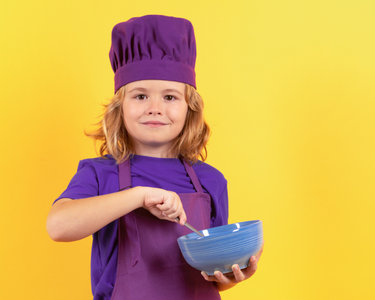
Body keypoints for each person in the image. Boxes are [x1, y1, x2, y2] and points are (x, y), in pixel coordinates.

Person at [46, 14, 262, 300]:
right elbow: (58, 226)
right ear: (119, 107)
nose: (155, 108)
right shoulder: (100, 174)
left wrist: (231, 276)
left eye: (170, 97)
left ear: (190, 108)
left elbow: (211, 273)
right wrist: (138, 196)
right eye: (140, 96)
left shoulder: (211, 180)